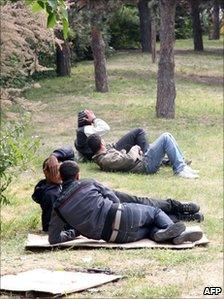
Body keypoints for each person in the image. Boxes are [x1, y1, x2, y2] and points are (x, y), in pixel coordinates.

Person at [48, 161, 203, 245]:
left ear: (61, 178)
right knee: (155, 212)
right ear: (77, 175)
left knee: (149, 230)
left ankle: (164, 235)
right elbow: (113, 197)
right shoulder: (88, 183)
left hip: (114, 237)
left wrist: (74, 232)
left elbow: (53, 239)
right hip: (119, 213)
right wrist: (119, 209)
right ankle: (174, 230)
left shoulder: (58, 208)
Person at [87, 133, 200, 179]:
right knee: (165, 137)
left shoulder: (104, 156)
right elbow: (129, 159)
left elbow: (122, 158)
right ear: (101, 144)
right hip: (144, 165)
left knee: (168, 135)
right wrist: (135, 148)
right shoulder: (106, 159)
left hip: (141, 161)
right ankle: (179, 170)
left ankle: (182, 166)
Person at [32, 147, 74, 232]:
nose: (60, 174)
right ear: (45, 172)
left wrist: (54, 156)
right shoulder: (51, 194)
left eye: (61, 170)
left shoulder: (53, 185)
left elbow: (70, 151)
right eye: (55, 171)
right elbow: (49, 225)